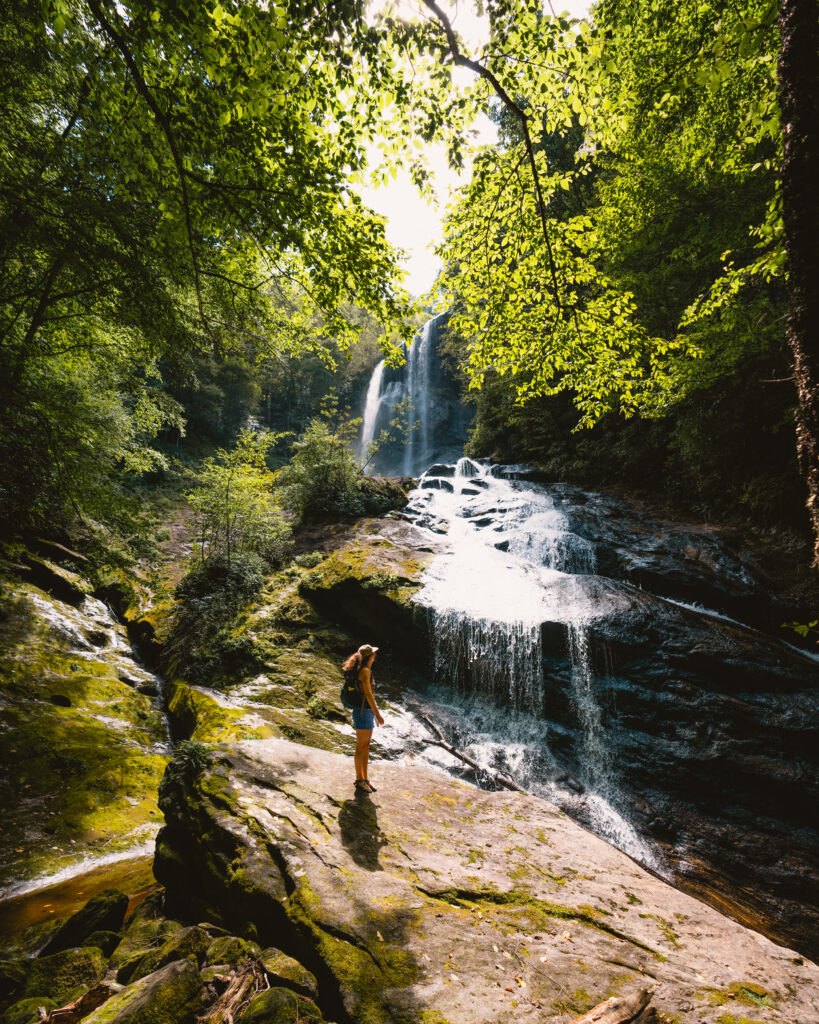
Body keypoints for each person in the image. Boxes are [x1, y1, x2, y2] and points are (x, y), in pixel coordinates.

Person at [342, 643, 384, 793]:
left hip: (364, 711)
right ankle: (359, 780)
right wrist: (378, 714)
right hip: (362, 711)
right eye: (373, 653)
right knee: (361, 746)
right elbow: (368, 694)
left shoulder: (364, 669)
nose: (375, 655)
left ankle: (365, 778)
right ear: (370, 657)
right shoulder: (364, 671)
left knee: (365, 746)